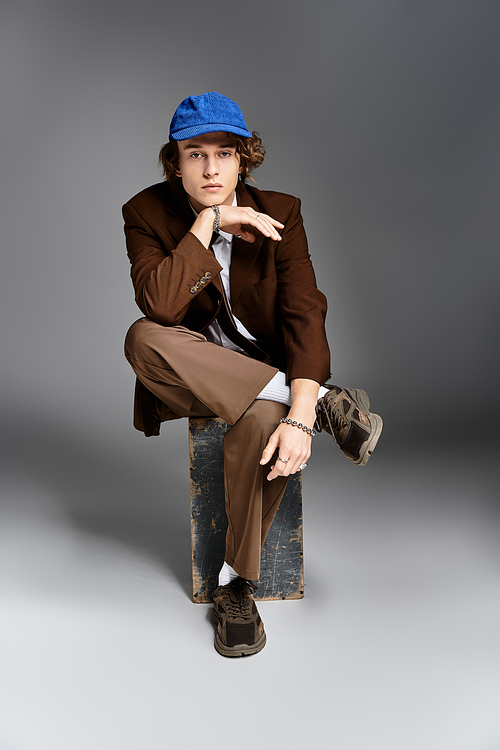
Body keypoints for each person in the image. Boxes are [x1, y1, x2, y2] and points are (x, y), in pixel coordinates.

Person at [123, 91, 382, 657]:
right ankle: (325, 403)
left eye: (224, 153)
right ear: (176, 162)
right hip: (190, 374)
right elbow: (161, 307)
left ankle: (235, 587)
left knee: (265, 421)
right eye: (195, 154)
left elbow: (304, 312)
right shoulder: (145, 213)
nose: (211, 168)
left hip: (260, 378)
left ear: (245, 159)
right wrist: (210, 223)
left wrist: (295, 415)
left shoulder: (282, 212)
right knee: (141, 337)